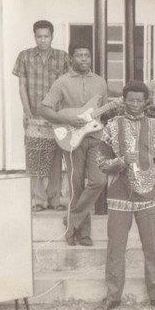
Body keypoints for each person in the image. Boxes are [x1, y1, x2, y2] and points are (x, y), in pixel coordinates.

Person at [94, 80, 155, 310]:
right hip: (119, 195)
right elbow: (101, 164)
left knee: (152, 246)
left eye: (138, 100)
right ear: (123, 101)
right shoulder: (111, 127)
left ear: (146, 103)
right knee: (115, 248)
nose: (134, 104)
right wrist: (120, 162)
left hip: (149, 196)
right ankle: (113, 296)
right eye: (130, 99)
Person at [40, 41, 108, 247]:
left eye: (87, 55)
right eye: (79, 55)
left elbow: (102, 110)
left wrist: (115, 107)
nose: (84, 59)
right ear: (71, 58)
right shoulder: (62, 82)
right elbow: (45, 109)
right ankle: (82, 233)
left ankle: (72, 222)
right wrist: (68, 120)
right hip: (72, 140)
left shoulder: (100, 82)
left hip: (95, 138)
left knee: (99, 181)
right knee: (76, 186)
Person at [12, 20, 69, 212]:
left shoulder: (62, 58)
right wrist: (27, 112)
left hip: (55, 116)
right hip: (34, 115)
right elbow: (22, 86)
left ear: (52, 36)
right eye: (39, 36)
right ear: (34, 36)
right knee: (34, 158)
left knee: (55, 157)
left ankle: (55, 199)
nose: (43, 40)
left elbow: (67, 87)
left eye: (46, 36)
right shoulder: (25, 56)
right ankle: (38, 199)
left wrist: (61, 115)